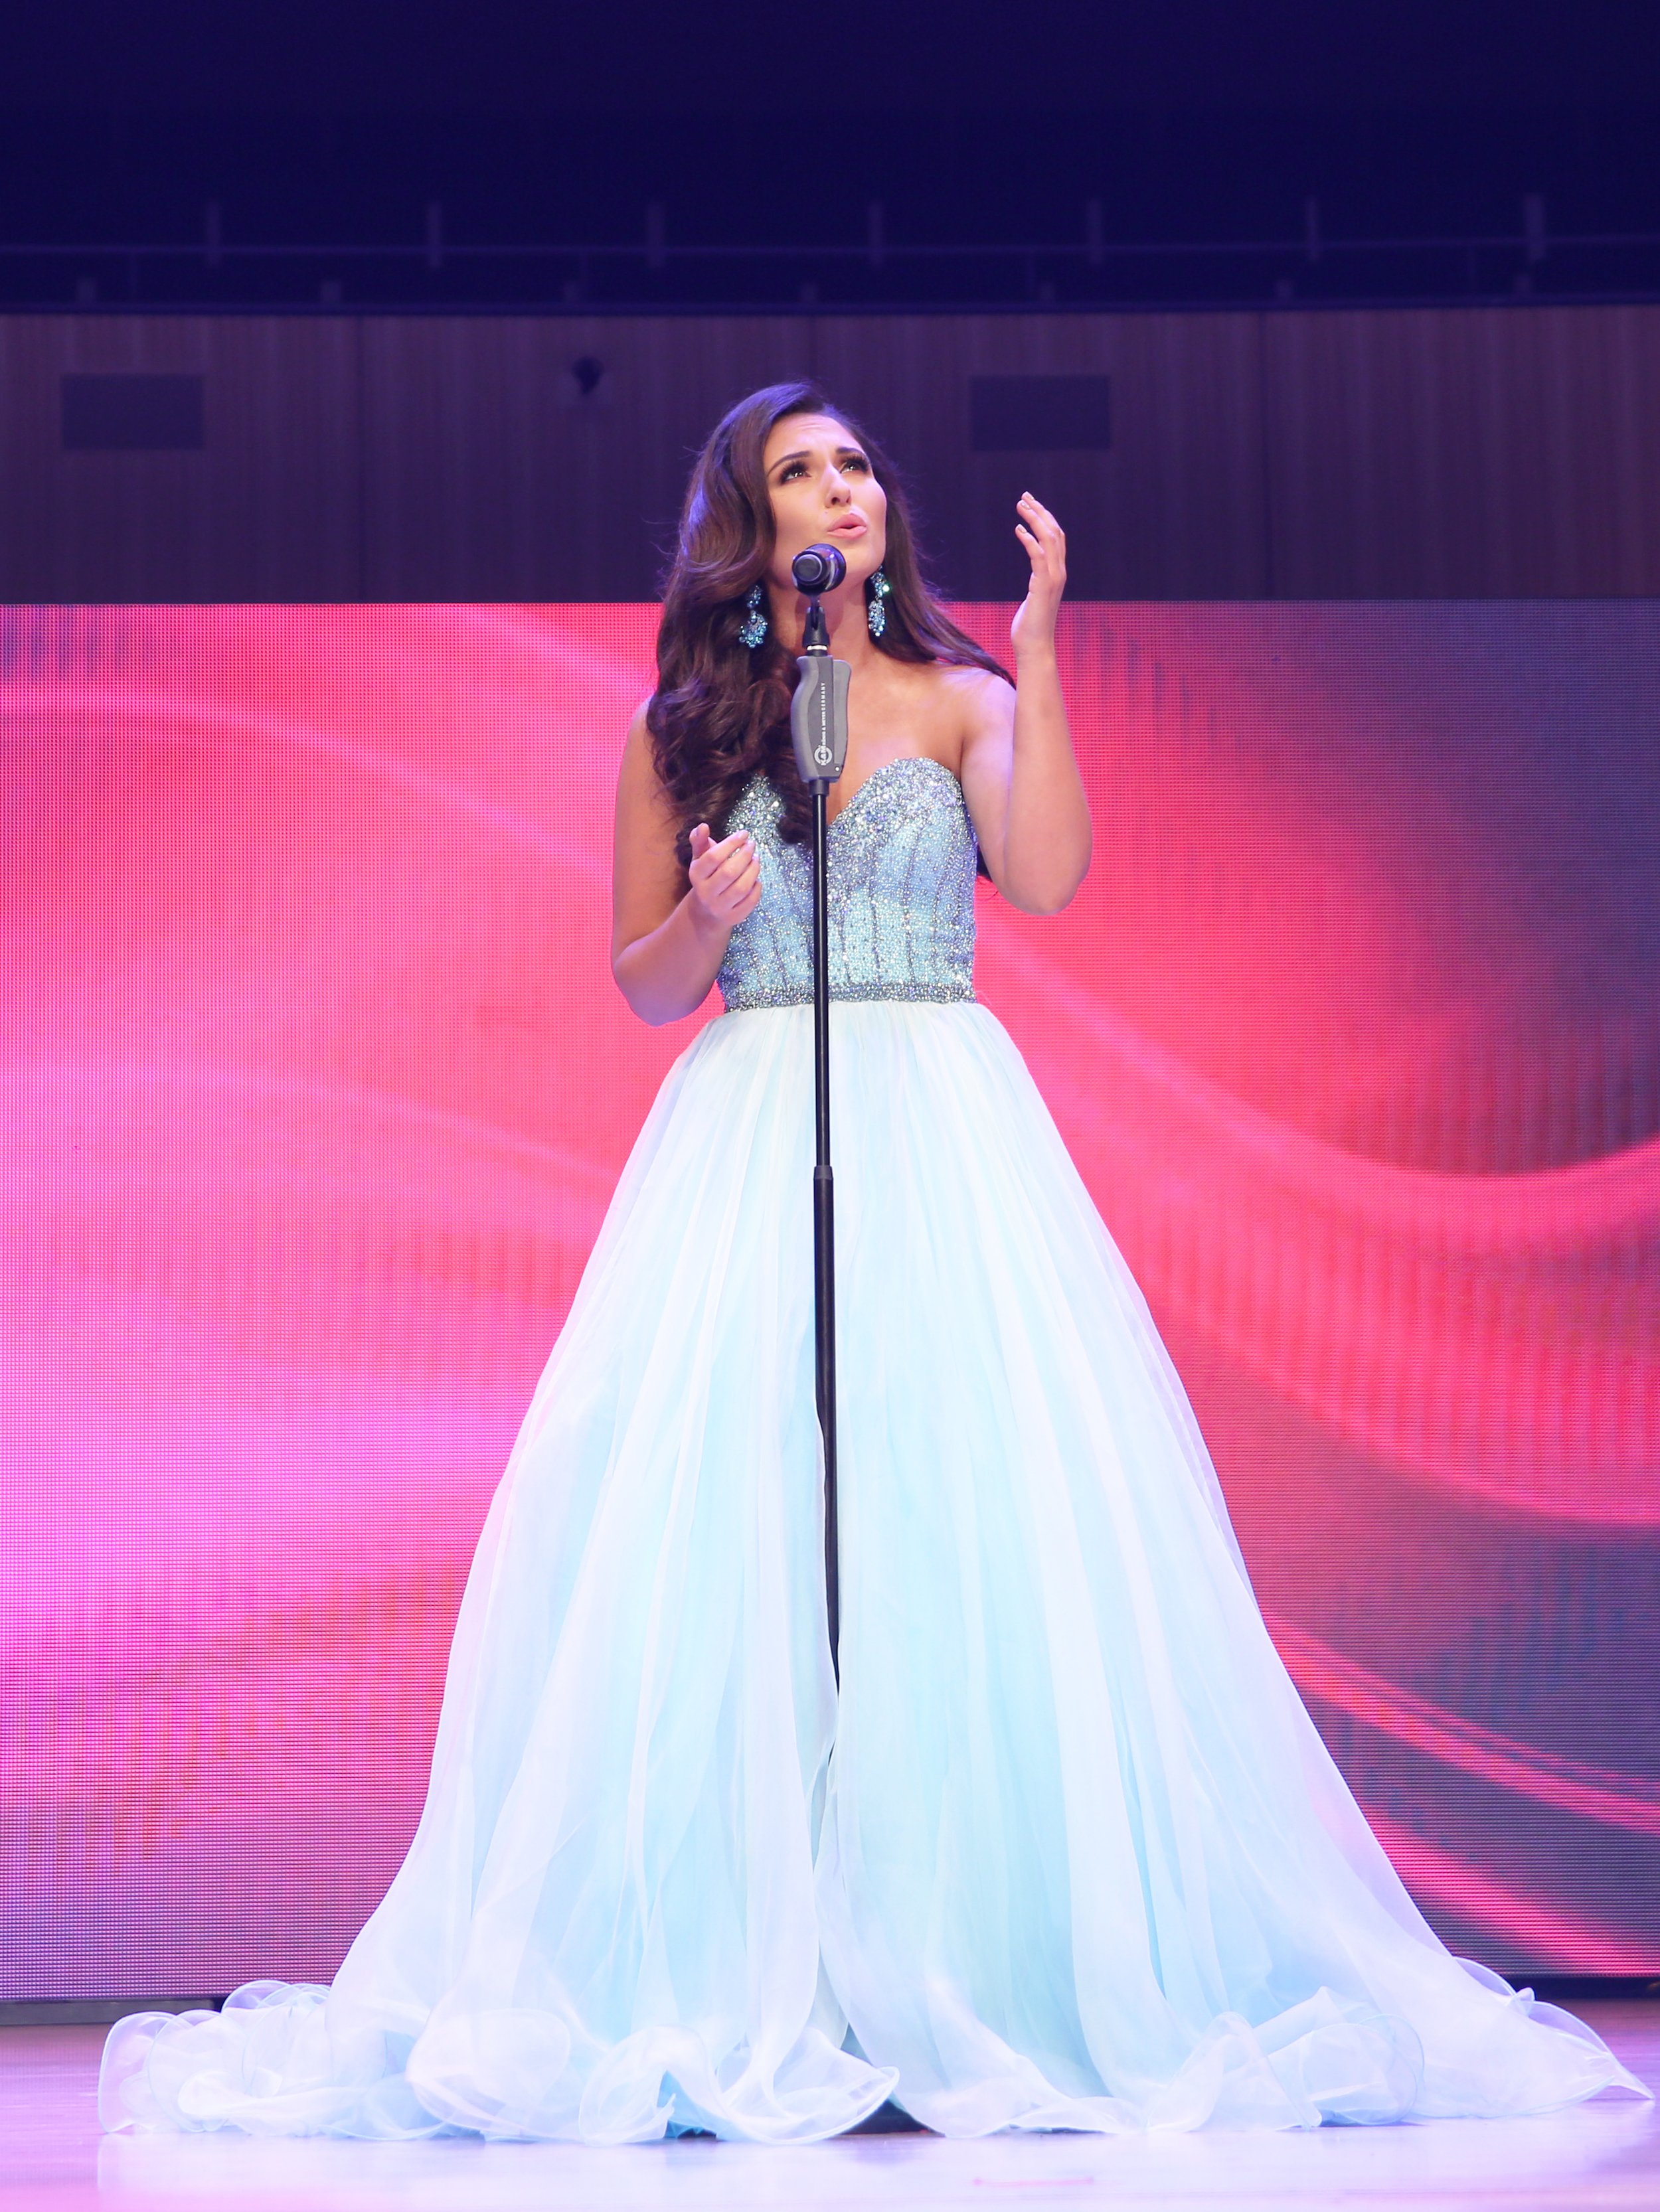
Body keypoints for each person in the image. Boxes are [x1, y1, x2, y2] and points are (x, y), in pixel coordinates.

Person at [102, 381, 1646, 2144]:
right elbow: (641, 977)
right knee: (736, 1523)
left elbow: (1047, 875)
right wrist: (706, 914)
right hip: (753, 1124)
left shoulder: (965, 694)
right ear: (753, 536)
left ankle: (968, 1958)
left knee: (960, 1517)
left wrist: (1046, 652)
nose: (836, 488)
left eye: (848, 463)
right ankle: (760, 1960)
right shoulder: (686, 726)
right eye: (792, 474)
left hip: (939, 1120)